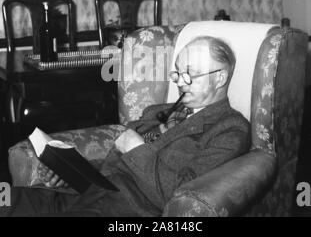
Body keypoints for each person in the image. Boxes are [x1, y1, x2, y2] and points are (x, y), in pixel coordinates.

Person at [0, 36, 250, 217]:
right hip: (84, 196)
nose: (181, 83)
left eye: (190, 74)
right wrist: (66, 173)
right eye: (177, 73)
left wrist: (136, 148)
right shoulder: (159, 112)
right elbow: (112, 169)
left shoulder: (229, 129)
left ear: (220, 77)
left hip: (127, 210)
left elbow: (179, 197)